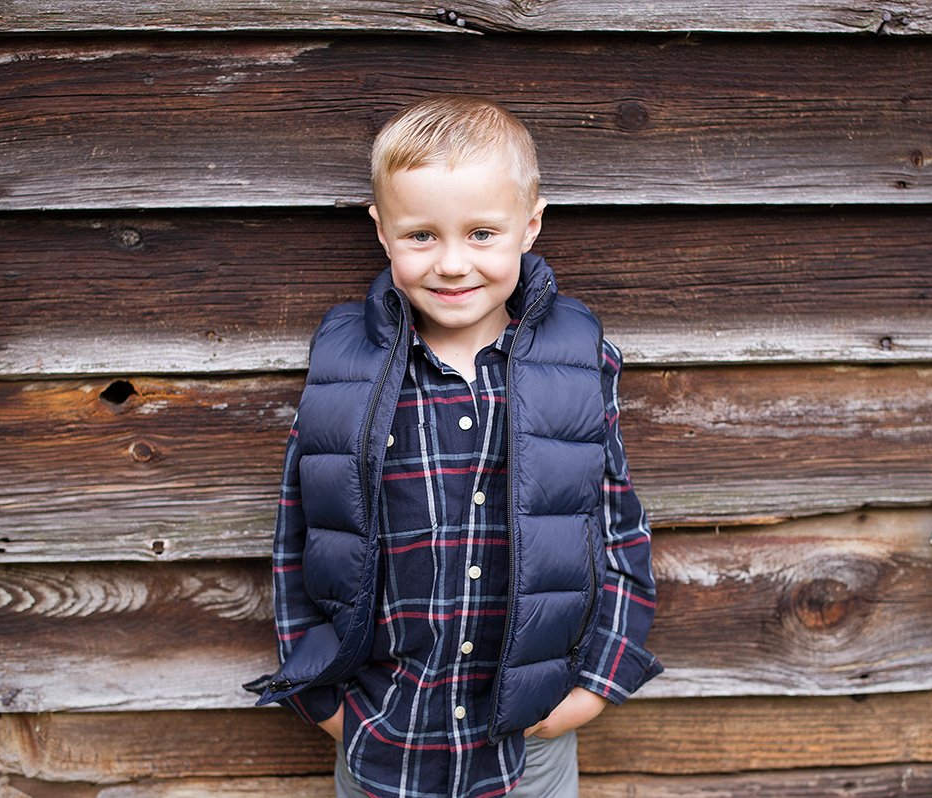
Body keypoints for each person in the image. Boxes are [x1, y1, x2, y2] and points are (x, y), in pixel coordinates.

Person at [245, 94, 664, 798]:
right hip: (382, 737)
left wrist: (596, 686)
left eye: (479, 233)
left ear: (529, 226)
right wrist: (321, 702)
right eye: (421, 236)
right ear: (382, 231)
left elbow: (618, 530)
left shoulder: (576, 364)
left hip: (527, 740)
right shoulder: (349, 367)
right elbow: (302, 535)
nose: (450, 263)